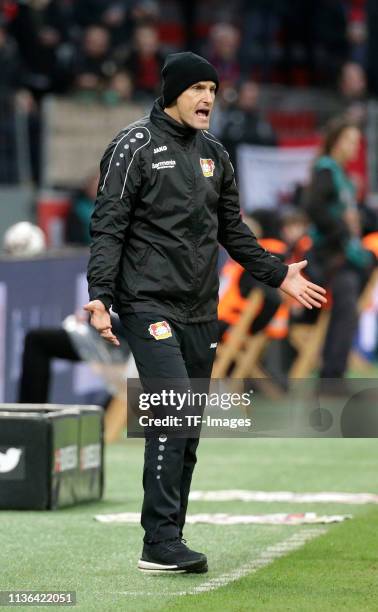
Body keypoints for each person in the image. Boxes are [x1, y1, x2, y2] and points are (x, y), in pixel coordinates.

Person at [84, 51, 326, 574]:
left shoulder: (216, 152)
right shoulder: (133, 147)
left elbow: (233, 232)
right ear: (173, 92)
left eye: (213, 90)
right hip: (146, 302)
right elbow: (108, 226)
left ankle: (170, 536)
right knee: (172, 411)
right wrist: (102, 295)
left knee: (188, 424)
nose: (208, 99)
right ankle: (159, 541)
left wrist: (278, 272)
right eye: (198, 89)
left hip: (200, 307)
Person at [303, 116, 375, 383]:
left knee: (348, 310)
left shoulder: (341, 174)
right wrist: (343, 229)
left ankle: (335, 371)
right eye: (350, 140)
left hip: (343, 254)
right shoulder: (326, 169)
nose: (355, 146)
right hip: (330, 255)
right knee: (345, 310)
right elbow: (313, 207)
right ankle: (332, 374)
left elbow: (349, 213)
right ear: (337, 142)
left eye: (357, 141)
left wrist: (358, 221)